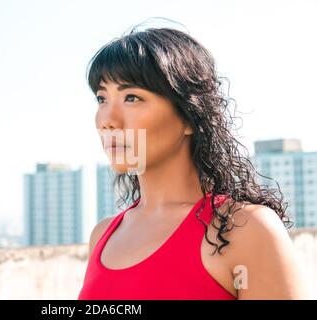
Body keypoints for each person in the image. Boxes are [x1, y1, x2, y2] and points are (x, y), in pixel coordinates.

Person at [77, 21, 310, 300]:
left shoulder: (245, 230)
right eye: (101, 99)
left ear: (189, 116)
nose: (108, 121)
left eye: (131, 98)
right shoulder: (102, 236)